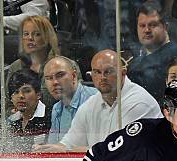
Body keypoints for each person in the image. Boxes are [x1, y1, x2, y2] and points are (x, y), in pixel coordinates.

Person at [34, 50, 162, 152]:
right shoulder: (89, 105)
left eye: (108, 72)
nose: (102, 77)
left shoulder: (138, 103)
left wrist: (67, 150)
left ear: (123, 73)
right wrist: (52, 149)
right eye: (97, 72)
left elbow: (119, 151)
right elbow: (68, 143)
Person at [127, 1, 177, 104]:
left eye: (153, 25)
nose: (147, 30)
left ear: (165, 27)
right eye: (142, 25)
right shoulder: (134, 63)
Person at [43, 56, 98, 144]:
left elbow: (105, 147)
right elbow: (54, 146)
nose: (54, 82)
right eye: (49, 78)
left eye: (60, 75)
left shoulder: (96, 100)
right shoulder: (56, 109)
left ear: (74, 76)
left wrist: (65, 149)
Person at [6, 69, 51, 152]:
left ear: (38, 95)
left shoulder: (51, 116)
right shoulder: (12, 120)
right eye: (16, 92)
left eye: (26, 91)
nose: (21, 96)